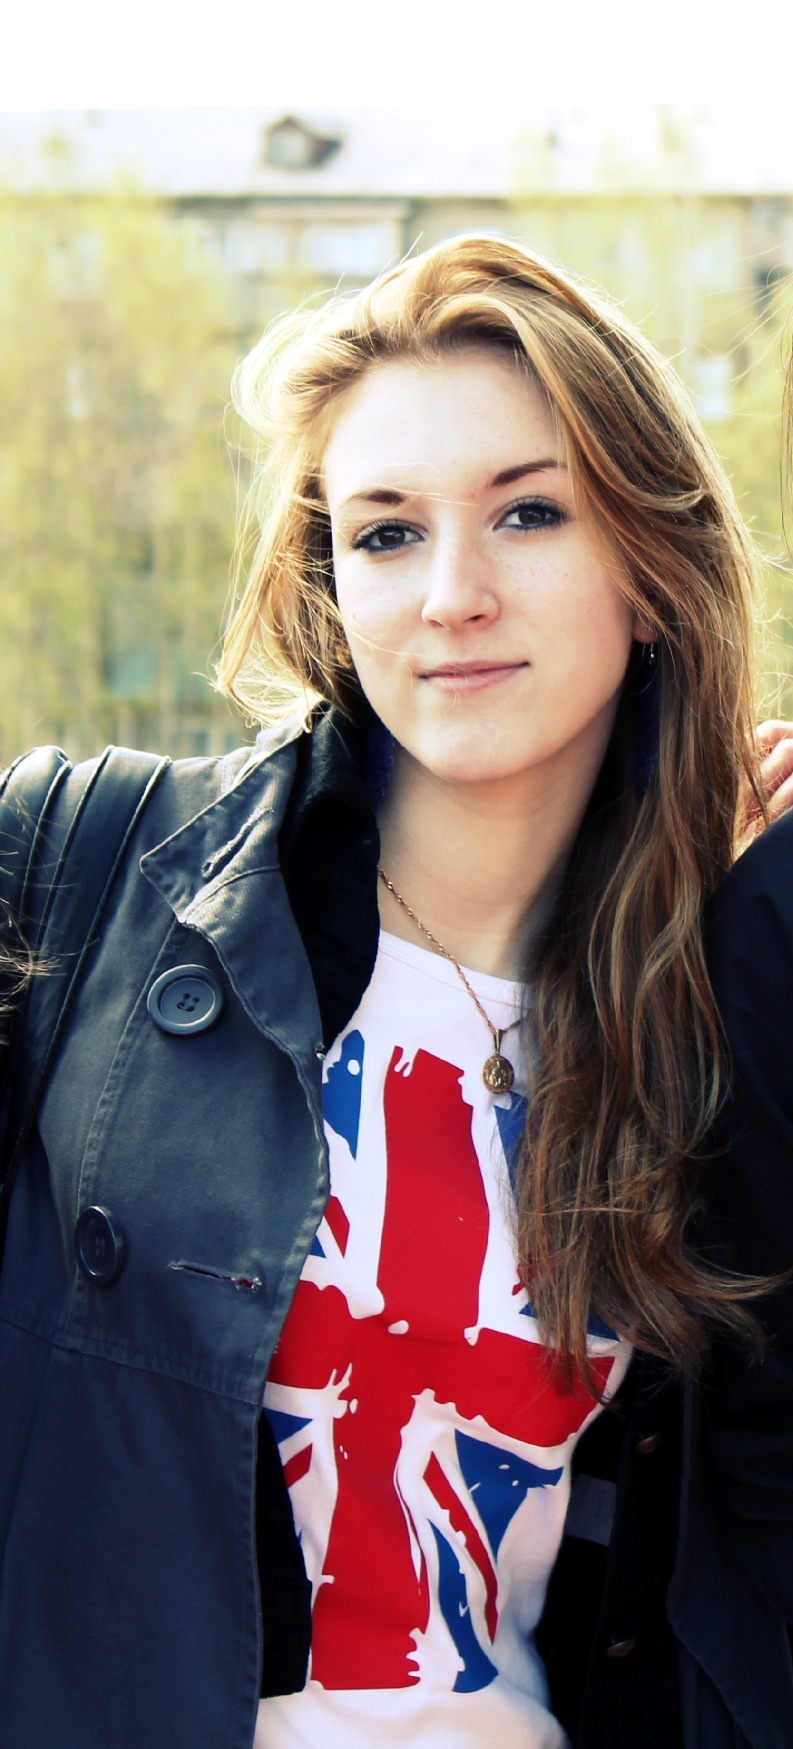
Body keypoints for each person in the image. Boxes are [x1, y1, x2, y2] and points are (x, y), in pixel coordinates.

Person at [0, 234, 791, 1749]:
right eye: (384, 533)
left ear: (651, 572)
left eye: (529, 511)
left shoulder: (706, 1014)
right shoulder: (92, 874)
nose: (450, 594)